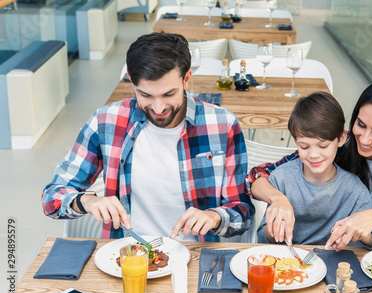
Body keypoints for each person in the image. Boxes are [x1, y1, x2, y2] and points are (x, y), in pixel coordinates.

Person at [42, 32, 253, 241]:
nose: (158, 108)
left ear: (186, 78)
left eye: (168, 94)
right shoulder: (106, 121)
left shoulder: (222, 124)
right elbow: (52, 199)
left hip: (196, 258)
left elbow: (242, 212)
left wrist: (214, 216)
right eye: (145, 95)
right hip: (127, 256)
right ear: (132, 82)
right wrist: (86, 201)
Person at [247, 78, 372, 250]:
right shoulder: (341, 143)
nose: (365, 139)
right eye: (360, 124)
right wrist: (278, 199)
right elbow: (260, 174)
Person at [256, 92, 372, 248]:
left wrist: (361, 233)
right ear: (295, 142)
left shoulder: (355, 190)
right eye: (304, 147)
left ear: (341, 139)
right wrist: (274, 230)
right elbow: (262, 237)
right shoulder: (281, 179)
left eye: (323, 146)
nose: (313, 155)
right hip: (287, 262)